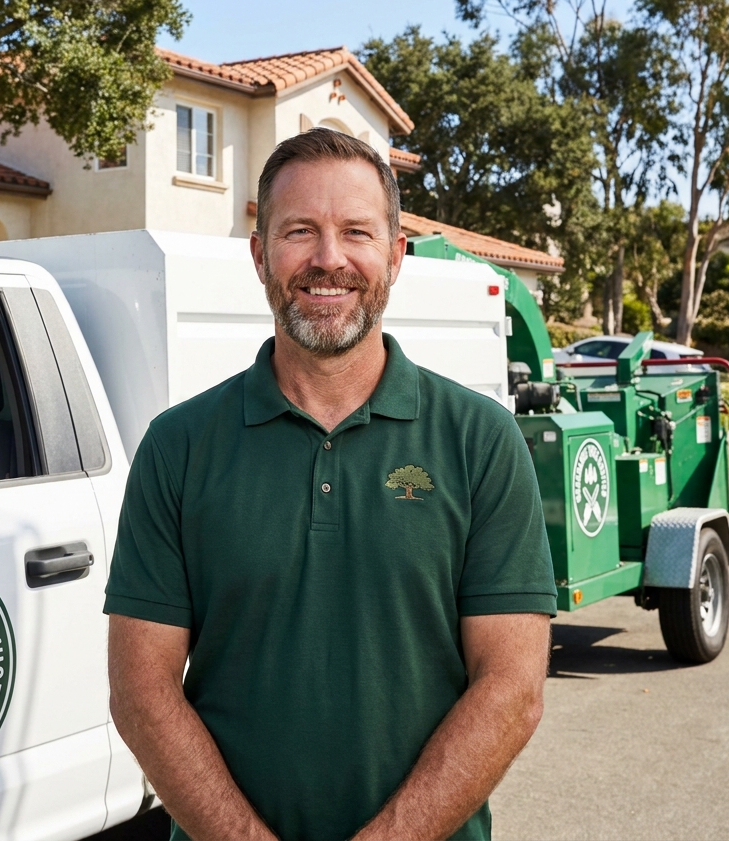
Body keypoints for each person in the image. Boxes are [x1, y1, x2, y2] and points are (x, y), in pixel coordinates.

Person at [105, 128, 555, 841]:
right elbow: (141, 693)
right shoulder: (179, 447)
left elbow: (511, 691)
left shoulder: (480, 441)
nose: (328, 260)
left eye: (356, 232)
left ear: (396, 256)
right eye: (299, 232)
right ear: (260, 256)